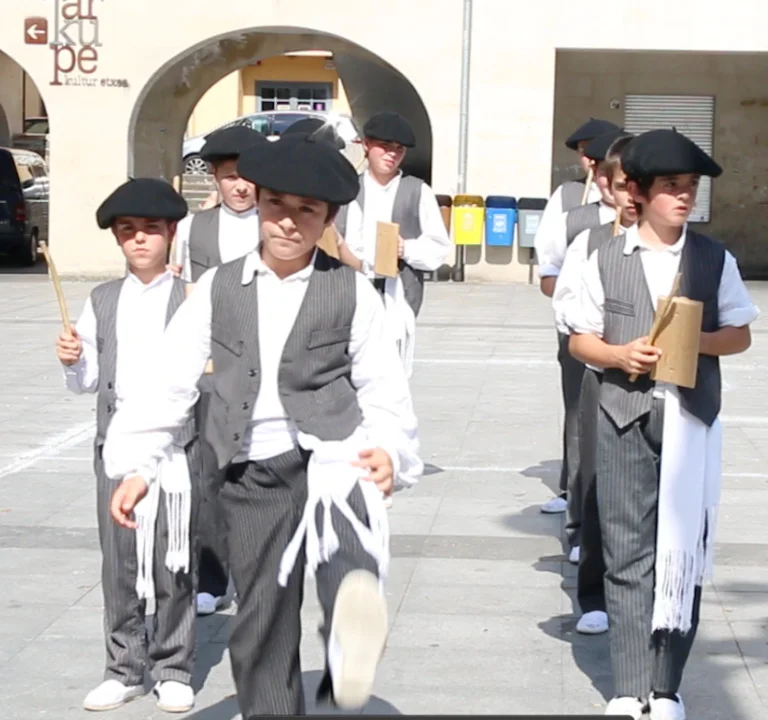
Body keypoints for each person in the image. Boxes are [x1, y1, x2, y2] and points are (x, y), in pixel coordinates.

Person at [100, 132, 421, 718]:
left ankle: (351, 636)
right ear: (259, 204)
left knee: (350, 569)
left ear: (328, 218)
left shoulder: (350, 290)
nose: (289, 222)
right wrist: (138, 466)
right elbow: (169, 381)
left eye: (308, 210)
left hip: (335, 459)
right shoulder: (218, 287)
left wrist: (388, 450)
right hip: (251, 471)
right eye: (277, 205)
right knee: (261, 622)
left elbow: (383, 383)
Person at [568, 128, 759, 720]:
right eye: (672, 186)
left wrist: (696, 340)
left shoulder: (713, 258)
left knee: (681, 552)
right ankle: (630, 686)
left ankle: (667, 686)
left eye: (690, 186)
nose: (684, 197)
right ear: (639, 192)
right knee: (626, 550)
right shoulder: (605, 257)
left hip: (691, 419)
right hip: (623, 414)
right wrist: (619, 354)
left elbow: (741, 333)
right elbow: (579, 339)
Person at [55, 178, 199, 713]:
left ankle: (173, 666)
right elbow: (90, 379)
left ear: (171, 233)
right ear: (117, 238)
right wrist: (73, 359)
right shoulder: (103, 299)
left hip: (175, 449)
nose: (139, 239)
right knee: (118, 562)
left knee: (173, 558)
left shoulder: (192, 297)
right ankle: (124, 667)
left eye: (150, 229)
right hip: (117, 447)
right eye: (128, 230)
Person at [170, 123, 268, 616]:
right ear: (215, 178)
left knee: (257, 470)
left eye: (247, 177)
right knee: (209, 472)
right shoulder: (194, 228)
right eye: (230, 177)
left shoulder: (273, 222)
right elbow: (183, 288)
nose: (240, 187)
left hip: (263, 362)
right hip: (211, 364)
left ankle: (256, 573)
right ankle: (211, 576)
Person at [553, 131, 636, 635]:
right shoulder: (591, 242)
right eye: (623, 184)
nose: (631, 195)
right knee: (596, 479)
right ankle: (594, 591)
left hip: (660, 389)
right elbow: (567, 307)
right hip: (602, 375)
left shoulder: (683, 250)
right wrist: (610, 344)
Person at [535, 117, 620, 515]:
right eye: (587, 155)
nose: (590, 164)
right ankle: (573, 488)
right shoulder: (569, 200)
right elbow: (548, 269)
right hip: (578, 327)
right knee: (577, 406)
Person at [332, 111, 452, 376]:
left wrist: (405, 248)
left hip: (397, 297)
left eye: (399, 149)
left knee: (392, 374)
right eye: (385, 146)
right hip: (353, 292)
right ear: (367, 145)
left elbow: (439, 247)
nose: (392, 154)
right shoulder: (349, 189)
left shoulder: (417, 191)